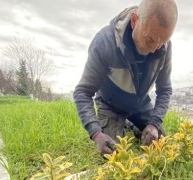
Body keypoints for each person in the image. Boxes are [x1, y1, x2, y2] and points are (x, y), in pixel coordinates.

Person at [73, 0, 178, 155]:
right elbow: (83, 92)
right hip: (110, 105)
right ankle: (122, 123)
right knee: (113, 153)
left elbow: (165, 90)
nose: (155, 48)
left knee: (161, 144)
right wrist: (96, 133)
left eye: (162, 41)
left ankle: (134, 126)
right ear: (135, 20)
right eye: (150, 39)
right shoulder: (105, 42)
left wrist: (154, 124)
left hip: (140, 105)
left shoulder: (164, 47)